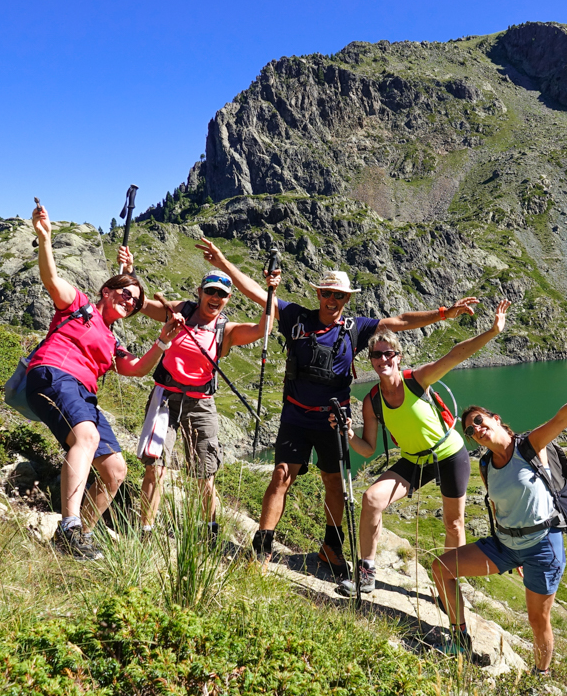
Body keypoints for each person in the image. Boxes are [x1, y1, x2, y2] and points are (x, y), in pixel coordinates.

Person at [195, 237, 479, 573]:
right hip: (296, 415)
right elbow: (259, 293)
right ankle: (264, 543)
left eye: (339, 295)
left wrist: (444, 313)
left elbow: (401, 320)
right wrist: (223, 263)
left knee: (333, 480)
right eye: (327, 293)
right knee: (282, 475)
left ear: (347, 299)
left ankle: (331, 547)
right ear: (318, 294)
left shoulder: (355, 328)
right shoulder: (295, 317)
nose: (332, 300)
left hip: (333, 419)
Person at [26, 206, 183, 560]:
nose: (131, 301)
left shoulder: (113, 341)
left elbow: (136, 370)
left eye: (136, 301)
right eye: (125, 293)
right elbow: (52, 280)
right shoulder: (79, 306)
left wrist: (163, 341)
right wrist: (45, 238)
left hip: (83, 393)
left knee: (116, 470)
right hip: (54, 372)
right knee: (87, 437)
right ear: (107, 291)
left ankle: (79, 540)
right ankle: (69, 527)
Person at [431, 358, 567, 670]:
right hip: (505, 546)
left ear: (495, 419)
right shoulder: (485, 466)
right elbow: (499, 509)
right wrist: (513, 556)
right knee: (442, 568)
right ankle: (459, 640)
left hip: (543, 546)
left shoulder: (529, 446)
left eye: (480, 420)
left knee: (538, 620)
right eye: (471, 429)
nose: (476, 429)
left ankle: (540, 675)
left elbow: (561, 418)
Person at [332, 300, 512, 597]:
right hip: (414, 460)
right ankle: (366, 574)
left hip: (449, 453)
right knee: (371, 499)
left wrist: (492, 331)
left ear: (398, 357)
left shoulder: (417, 380)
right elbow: (367, 449)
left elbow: (455, 355)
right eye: (376, 355)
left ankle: (450, 587)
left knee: (453, 523)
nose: (383, 359)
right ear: (372, 361)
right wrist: (350, 434)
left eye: (388, 353)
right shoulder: (372, 400)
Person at [131, 264, 279, 543]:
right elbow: (141, 306)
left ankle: (208, 531)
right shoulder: (181, 310)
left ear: (228, 299)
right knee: (156, 467)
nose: (215, 297)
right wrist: (128, 271)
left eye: (221, 294)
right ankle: (146, 532)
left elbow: (264, 327)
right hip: (166, 399)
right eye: (209, 291)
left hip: (201, 404)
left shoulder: (227, 330)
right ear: (199, 292)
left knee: (205, 473)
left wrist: (270, 291)